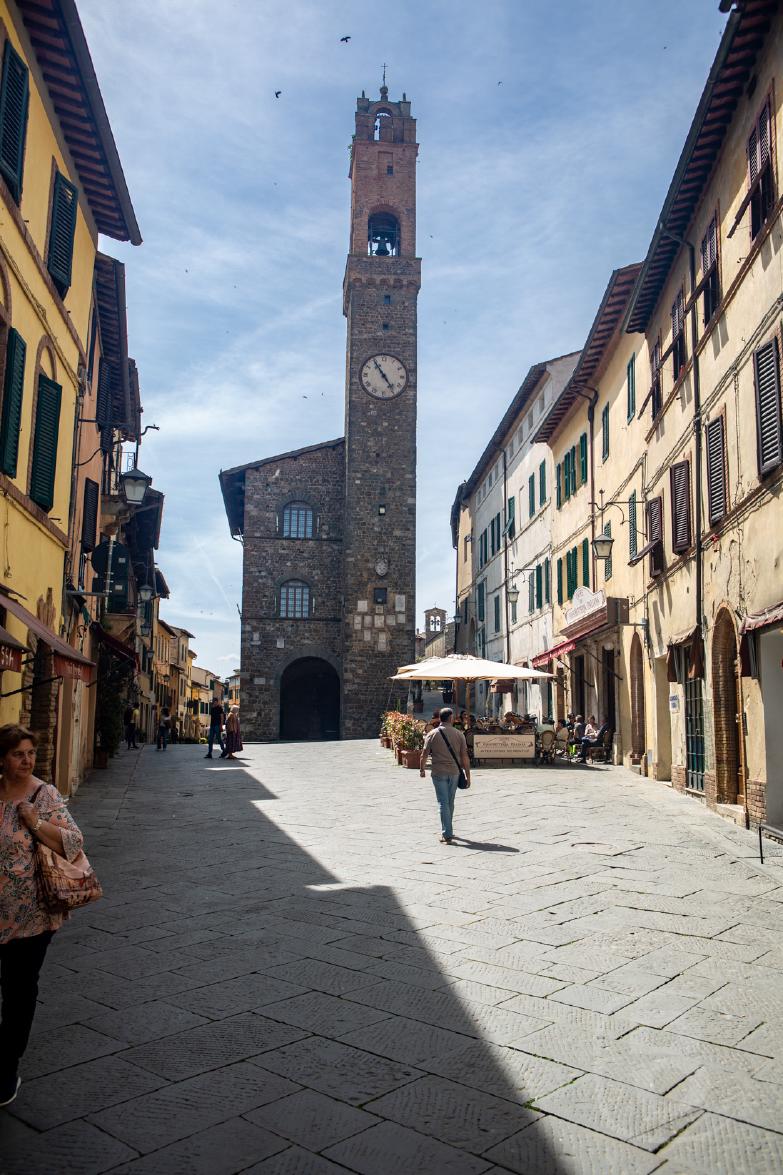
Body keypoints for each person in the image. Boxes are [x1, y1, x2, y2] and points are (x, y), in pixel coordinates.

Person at [0, 724, 85, 1106]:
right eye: (18, 754)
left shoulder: (43, 793)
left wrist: (35, 821)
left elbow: (73, 842)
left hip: (31, 915)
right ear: (2, 759)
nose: (27, 760)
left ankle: (6, 1067)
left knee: (18, 992)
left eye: (31, 753)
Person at [419, 707, 471, 844]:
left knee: (443, 802)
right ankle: (448, 830)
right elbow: (464, 756)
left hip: (438, 772)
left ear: (440, 718)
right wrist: (468, 775)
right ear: (451, 718)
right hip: (454, 772)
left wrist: (422, 769)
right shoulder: (459, 734)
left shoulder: (432, 734)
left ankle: (447, 833)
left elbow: (424, 754)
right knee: (450, 801)